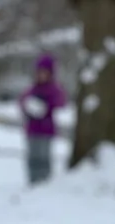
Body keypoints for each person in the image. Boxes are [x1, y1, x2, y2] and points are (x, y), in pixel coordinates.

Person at [19, 54, 66, 185]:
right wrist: (27, 106)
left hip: (46, 130)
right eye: (39, 72)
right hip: (32, 129)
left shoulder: (53, 90)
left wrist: (46, 106)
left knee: (43, 157)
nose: (41, 75)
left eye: (44, 73)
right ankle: (32, 181)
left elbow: (60, 102)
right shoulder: (32, 89)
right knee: (32, 157)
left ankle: (44, 182)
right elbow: (22, 100)